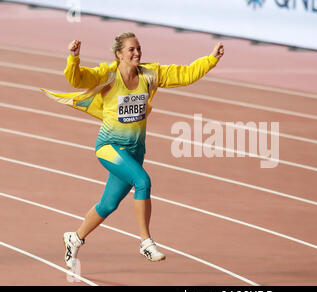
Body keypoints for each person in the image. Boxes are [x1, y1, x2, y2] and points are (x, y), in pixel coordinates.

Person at [41, 32, 224, 268]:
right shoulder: (107, 75)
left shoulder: (150, 74)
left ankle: (74, 238)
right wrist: (74, 58)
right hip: (108, 147)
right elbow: (78, 79)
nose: (137, 53)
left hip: (135, 151)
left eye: (138, 48)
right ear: (119, 55)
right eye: (131, 50)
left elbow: (185, 74)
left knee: (108, 205)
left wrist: (211, 59)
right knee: (142, 181)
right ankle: (146, 242)